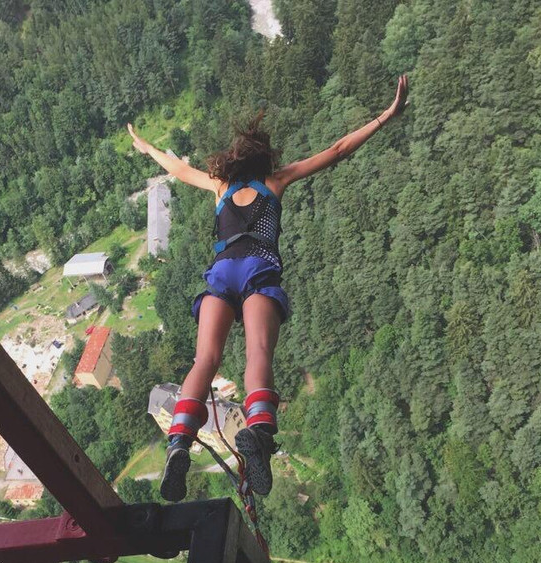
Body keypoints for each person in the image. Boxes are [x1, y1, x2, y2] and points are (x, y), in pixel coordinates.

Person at [128, 75, 408, 502]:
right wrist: (386, 117)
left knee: (205, 358)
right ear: (265, 161)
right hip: (260, 268)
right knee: (258, 354)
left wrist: (146, 147)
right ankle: (258, 434)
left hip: (221, 272)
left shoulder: (219, 187)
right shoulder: (275, 183)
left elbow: (178, 169)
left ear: (232, 162)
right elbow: (337, 150)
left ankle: (179, 443)